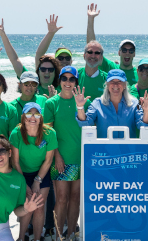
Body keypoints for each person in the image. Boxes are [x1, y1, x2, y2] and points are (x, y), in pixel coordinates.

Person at [42, 66, 83, 239]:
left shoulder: (82, 102)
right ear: (59, 81)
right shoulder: (51, 104)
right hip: (60, 159)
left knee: (75, 198)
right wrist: (57, 156)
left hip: (80, 158)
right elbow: (48, 134)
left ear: (76, 82)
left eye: (71, 79)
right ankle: (59, 235)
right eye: (64, 79)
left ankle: (72, 232)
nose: (67, 82)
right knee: (61, 198)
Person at [10, 102, 58, 241]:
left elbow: (48, 160)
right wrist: (24, 184)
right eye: (29, 114)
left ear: (41, 117)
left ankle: (37, 238)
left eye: (36, 114)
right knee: (27, 206)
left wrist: (37, 181)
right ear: (23, 117)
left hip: (41, 173)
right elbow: (15, 161)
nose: (33, 117)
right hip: (22, 173)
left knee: (38, 207)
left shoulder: (49, 133)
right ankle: (21, 237)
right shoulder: (16, 133)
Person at [76, 69, 148, 139]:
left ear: (124, 85)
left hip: (128, 152)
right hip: (105, 152)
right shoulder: (97, 103)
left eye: (119, 81)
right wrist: (80, 107)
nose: (115, 85)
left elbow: (143, 126)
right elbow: (85, 124)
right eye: (112, 81)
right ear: (107, 85)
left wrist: (146, 111)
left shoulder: (134, 103)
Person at [0, 16, 62, 97]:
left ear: (55, 72)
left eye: (51, 70)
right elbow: (15, 59)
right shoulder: (31, 84)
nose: (47, 72)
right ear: (38, 71)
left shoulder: (61, 89)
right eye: (43, 69)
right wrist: (3, 35)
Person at [85, 3, 138, 85]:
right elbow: (92, 47)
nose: (127, 53)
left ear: (134, 54)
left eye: (131, 51)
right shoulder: (111, 67)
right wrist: (91, 20)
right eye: (124, 50)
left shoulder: (139, 74)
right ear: (119, 52)